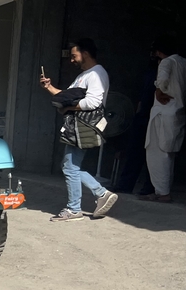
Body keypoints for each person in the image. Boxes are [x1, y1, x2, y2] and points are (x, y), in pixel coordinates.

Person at [40, 38, 118, 221]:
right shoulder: (84, 75)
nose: (72, 60)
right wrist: (49, 87)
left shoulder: (97, 73)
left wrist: (68, 108)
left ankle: (76, 207)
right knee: (70, 167)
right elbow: (66, 97)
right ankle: (100, 194)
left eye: (74, 56)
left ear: (86, 53)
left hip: (83, 127)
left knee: (70, 167)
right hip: (76, 128)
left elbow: (93, 102)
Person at [142, 36, 186, 202]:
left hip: (163, 112)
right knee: (168, 155)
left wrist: (159, 90)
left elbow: (162, 80)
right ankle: (162, 190)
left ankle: (163, 192)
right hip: (177, 112)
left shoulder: (166, 62)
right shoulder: (183, 62)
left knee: (157, 153)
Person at [113, 47, 158, 195]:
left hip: (156, 115)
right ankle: (127, 185)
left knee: (152, 154)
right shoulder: (150, 71)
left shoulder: (165, 68)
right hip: (145, 114)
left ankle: (148, 187)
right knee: (135, 151)